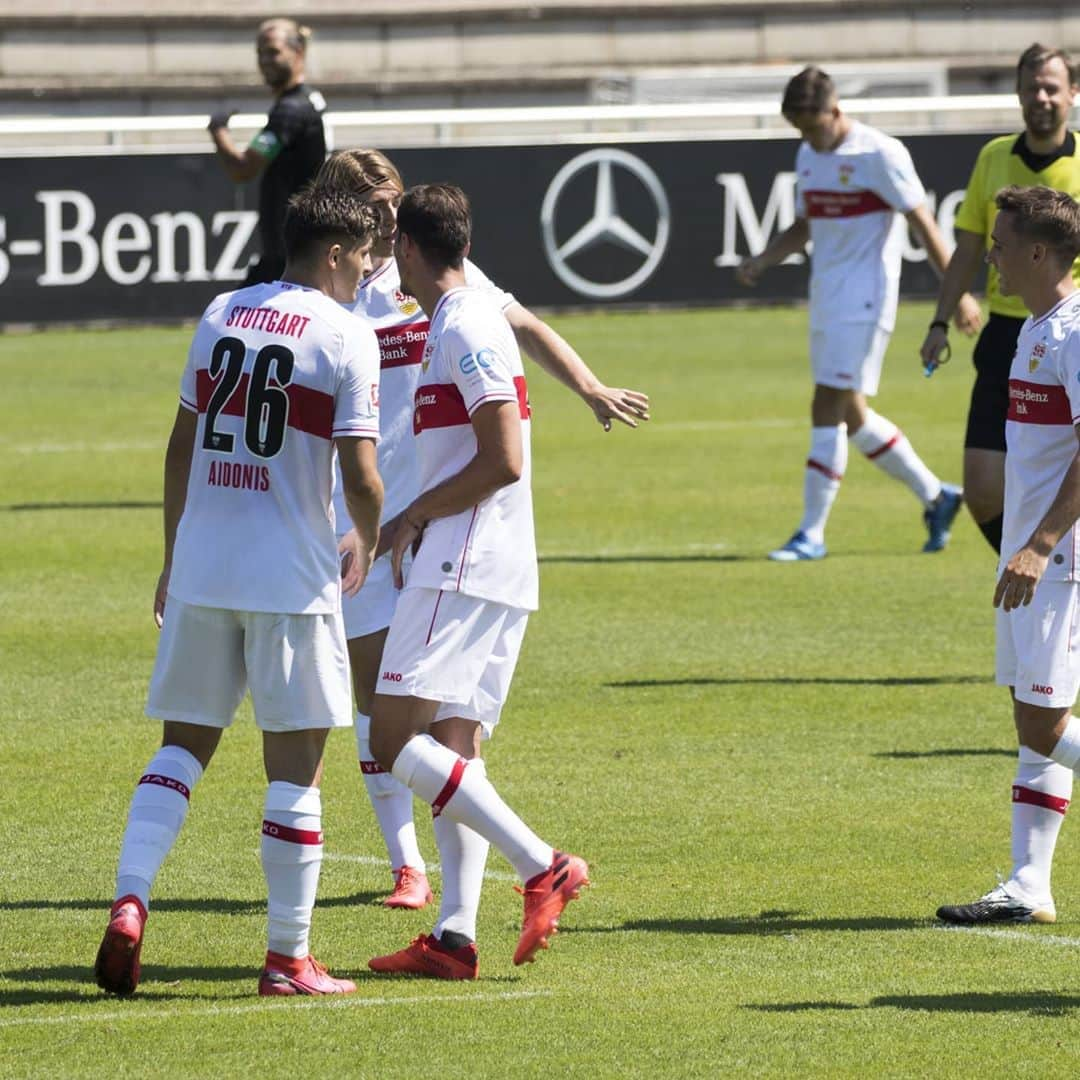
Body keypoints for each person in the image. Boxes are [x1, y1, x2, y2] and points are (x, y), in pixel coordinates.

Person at [311, 149, 649, 913]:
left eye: (395, 203)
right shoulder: (329, 288)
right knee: (388, 707)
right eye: (375, 205)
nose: (389, 218)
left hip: (436, 525)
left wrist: (589, 385)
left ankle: (526, 868)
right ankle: (435, 898)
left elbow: (519, 333)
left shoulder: (442, 291)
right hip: (367, 521)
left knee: (422, 731)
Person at [93, 188, 383, 997]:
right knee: (296, 767)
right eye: (361, 257)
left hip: (203, 566)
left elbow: (179, 447)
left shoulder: (222, 311)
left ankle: (129, 898)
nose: (366, 271)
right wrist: (374, 532)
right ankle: (288, 958)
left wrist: (171, 553)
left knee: (181, 747)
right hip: (288, 576)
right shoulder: (346, 335)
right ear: (332, 253)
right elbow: (360, 474)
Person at [364, 183, 588, 980]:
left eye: (395, 245)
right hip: (486, 561)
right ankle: (456, 936)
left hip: (462, 560)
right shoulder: (456, 320)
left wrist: (411, 517)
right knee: (455, 746)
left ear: (412, 250)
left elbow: (504, 458)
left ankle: (540, 864)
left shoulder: (464, 324)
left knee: (394, 742)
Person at [737, 66, 979, 561]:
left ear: (836, 109)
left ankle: (811, 533)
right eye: (800, 129)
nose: (809, 138)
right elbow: (807, 222)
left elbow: (924, 224)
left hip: (866, 298)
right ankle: (938, 496)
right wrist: (764, 258)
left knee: (825, 404)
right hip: (827, 295)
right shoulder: (809, 153)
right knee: (851, 414)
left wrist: (958, 296)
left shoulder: (880, 153)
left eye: (814, 126)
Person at [937, 187, 1080, 926]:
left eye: (998, 242)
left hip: (1059, 559)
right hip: (1033, 558)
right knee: (1033, 715)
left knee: (1044, 726)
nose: (987, 253)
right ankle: (1030, 885)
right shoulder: (1036, 328)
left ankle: (1030, 884)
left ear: (1035, 251)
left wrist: (1040, 544)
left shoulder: (1076, 330)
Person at [921, 45, 1080, 556]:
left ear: (1072, 94)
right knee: (983, 491)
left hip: (1068, 332)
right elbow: (969, 246)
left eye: (1052, 87)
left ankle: (1054, 568)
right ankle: (1031, 570)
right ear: (1017, 92)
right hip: (1006, 335)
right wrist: (940, 321)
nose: (1041, 97)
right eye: (1032, 86)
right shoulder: (993, 156)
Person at [209, 18, 327, 286]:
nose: (264, 60)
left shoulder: (291, 110)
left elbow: (243, 168)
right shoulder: (310, 100)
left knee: (231, 321)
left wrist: (218, 130)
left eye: (273, 51)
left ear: (298, 52)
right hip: (298, 248)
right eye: (260, 53)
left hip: (289, 255)